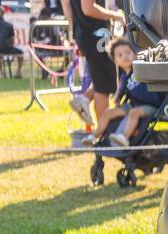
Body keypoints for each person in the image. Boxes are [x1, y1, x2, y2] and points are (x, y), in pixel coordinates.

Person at [65, 0, 126, 141]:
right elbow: (88, 9)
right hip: (97, 37)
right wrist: (115, 15)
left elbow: (66, 5)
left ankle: (84, 99)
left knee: (105, 82)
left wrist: (75, 36)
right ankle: (104, 134)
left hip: (89, 35)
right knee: (103, 88)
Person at [100, 36, 165, 147]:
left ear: (135, 54)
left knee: (134, 113)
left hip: (151, 106)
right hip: (134, 105)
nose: (125, 57)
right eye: (120, 55)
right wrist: (117, 100)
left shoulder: (141, 68)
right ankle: (96, 136)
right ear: (115, 60)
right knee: (109, 113)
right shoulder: (123, 76)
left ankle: (124, 137)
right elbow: (121, 92)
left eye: (128, 53)